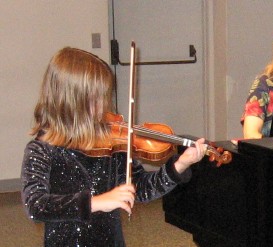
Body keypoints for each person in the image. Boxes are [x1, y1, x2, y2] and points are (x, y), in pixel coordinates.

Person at [21, 47, 207, 247]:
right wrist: (98, 201)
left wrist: (179, 165)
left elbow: (140, 189)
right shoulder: (41, 150)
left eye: (105, 97)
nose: (104, 106)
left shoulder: (112, 144)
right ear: (70, 101)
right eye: (96, 99)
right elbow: (36, 206)